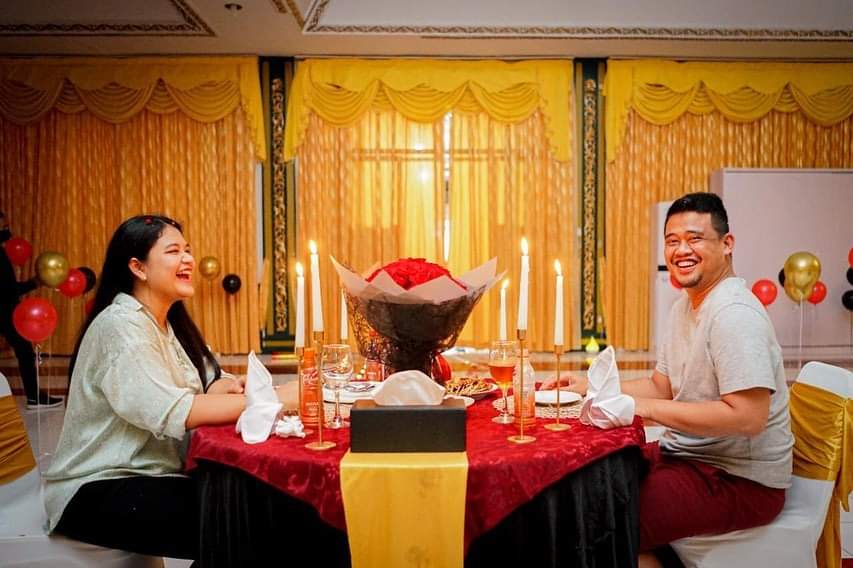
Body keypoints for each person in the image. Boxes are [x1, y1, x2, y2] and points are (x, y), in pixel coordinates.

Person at [544, 192, 794, 568]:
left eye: (695, 238)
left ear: (727, 244)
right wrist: (590, 387)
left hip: (739, 479)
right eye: (672, 240)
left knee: (597, 520)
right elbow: (662, 386)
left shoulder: (734, 314)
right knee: (585, 483)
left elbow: (748, 417)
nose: (681, 250)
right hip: (688, 456)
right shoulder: (685, 307)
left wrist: (641, 409)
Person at [43, 214, 297, 560]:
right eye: (173, 251)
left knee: (264, 503)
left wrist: (221, 386)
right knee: (251, 523)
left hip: (153, 476)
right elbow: (172, 410)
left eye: (187, 250)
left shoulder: (164, 323)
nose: (188, 259)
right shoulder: (121, 326)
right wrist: (277, 398)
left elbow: (200, 382)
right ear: (138, 267)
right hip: (99, 487)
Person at [0, 210, 63, 408]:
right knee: (25, 352)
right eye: (2, 225)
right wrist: (35, 282)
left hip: (6, 309)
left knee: (24, 351)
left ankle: (35, 396)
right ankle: (34, 397)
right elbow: (8, 289)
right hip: (4, 311)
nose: (6, 229)